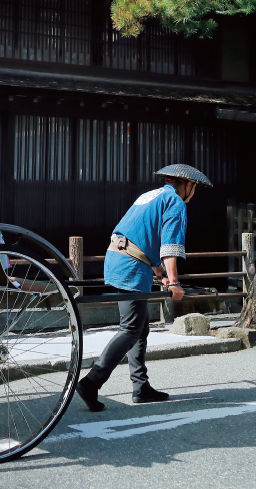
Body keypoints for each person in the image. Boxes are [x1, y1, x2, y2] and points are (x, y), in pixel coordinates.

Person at [76, 164, 212, 412]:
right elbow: (169, 246)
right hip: (131, 265)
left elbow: (141, 236)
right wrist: (173, 282)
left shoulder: (149, 196)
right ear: (187, 185)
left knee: (139, 327)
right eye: (195, 188)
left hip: (117, 257)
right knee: (130, 328)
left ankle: (141, 386)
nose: (194, 193)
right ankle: (91, 382)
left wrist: (159, 274)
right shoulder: (176, 203)